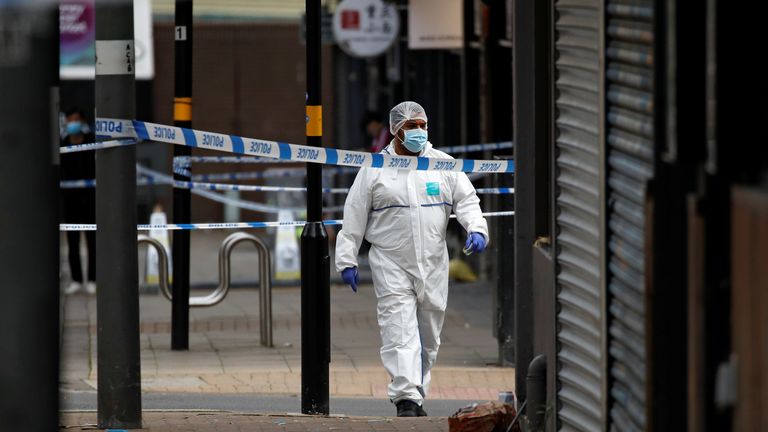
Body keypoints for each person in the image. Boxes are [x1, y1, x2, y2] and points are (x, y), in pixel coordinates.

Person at [335, 101, 489, 417]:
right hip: (390, 261)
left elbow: (467, 200)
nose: (419, 131)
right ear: (396, 130)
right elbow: (354, 214)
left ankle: (417, 391)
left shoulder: (443, 165)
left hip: (433, 262)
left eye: (423, 125)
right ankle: (406, 398)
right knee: (398, 327)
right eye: (412, 126)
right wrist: (346, 259)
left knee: (429, 335)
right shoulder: (375, 168)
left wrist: (477, 228)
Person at [61, 107, 97, 295]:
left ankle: (92, 279)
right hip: (71, 201)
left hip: (90, 200)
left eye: (75, 119)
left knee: (93, 241)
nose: (72, 123)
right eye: (69, 120)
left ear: (82, 121)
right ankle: (76, 279)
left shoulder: (92, 144)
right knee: (72, 243)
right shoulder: (63, 145)